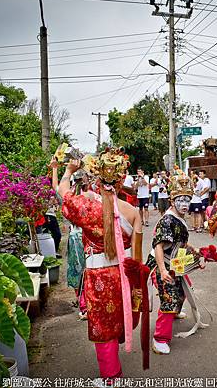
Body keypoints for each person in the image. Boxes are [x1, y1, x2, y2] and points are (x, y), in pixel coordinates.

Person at [57, 149, 148, 380]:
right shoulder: (133, 212)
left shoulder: (88, 207)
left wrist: (67, 172)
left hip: (98, 275)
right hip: (123, 275)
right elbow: (136, 258)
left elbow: (63, 193)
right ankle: (113, 364)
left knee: (102, 326)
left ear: (98, 180)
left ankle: (111, 377)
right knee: (118, 316)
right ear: (121, 181)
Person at [146, 169, 198, 355]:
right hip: (162, 263)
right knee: (169, 298)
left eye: (187, 200)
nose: (184, 204)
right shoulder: (167, 220)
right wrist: (162, 270)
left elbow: (179, 242)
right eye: (181, 200)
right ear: (172, 200)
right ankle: (160, 338)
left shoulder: (179, 218)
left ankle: (174, 312)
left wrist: (195, 253)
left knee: (183, 292)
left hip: (173, 262)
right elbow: (159, 245)